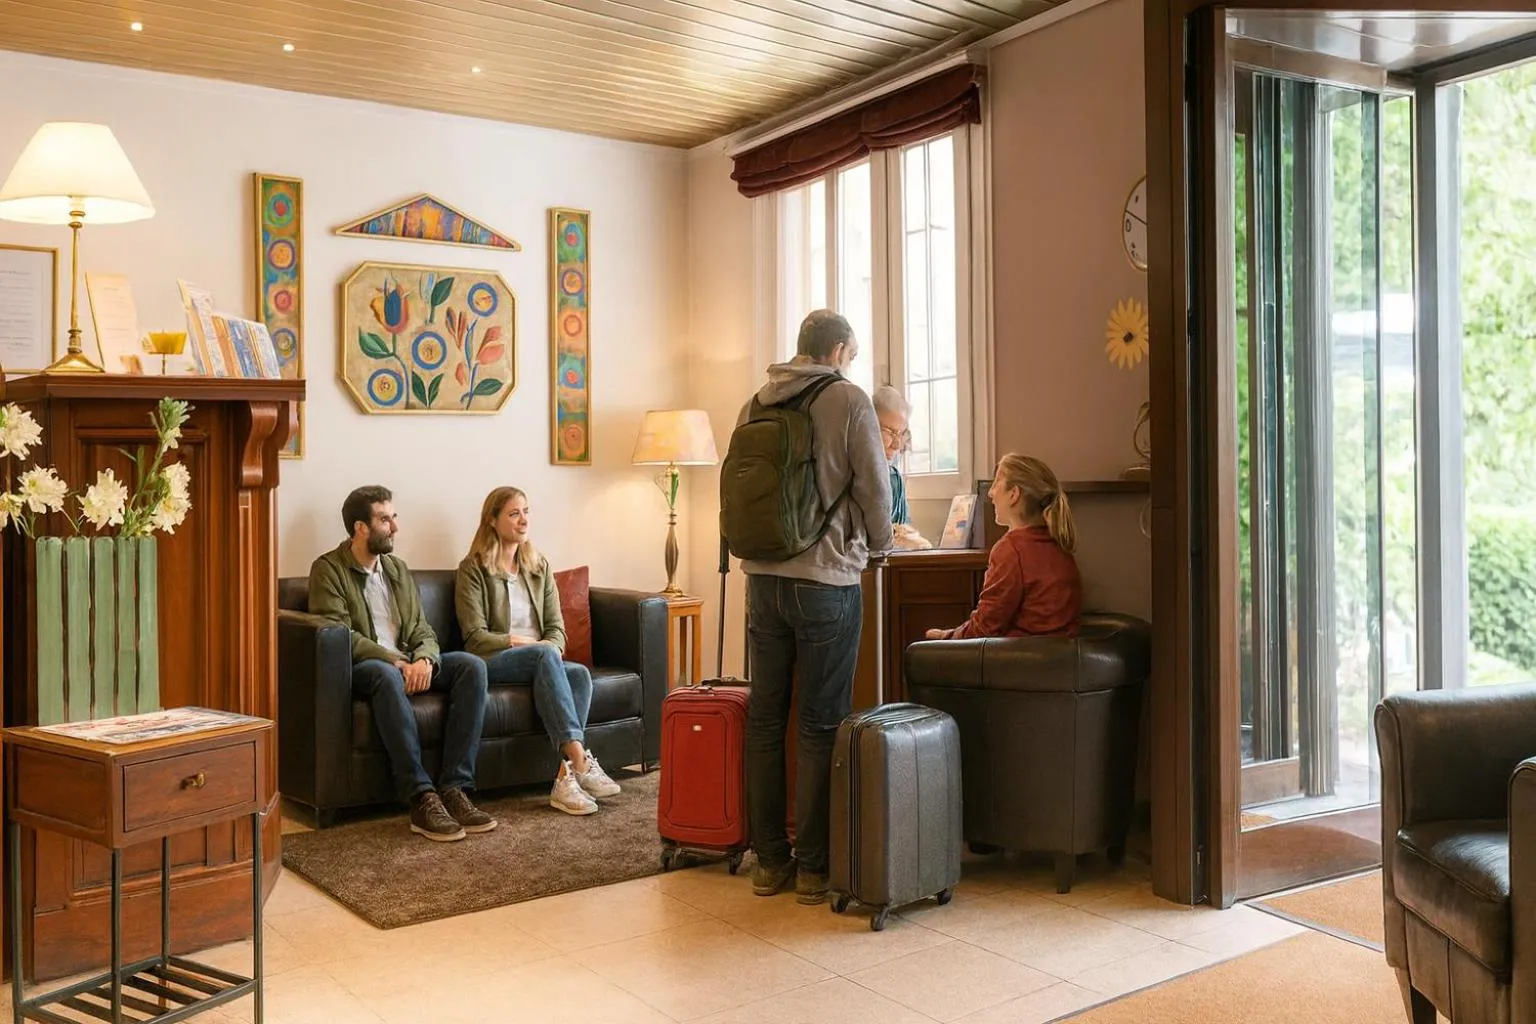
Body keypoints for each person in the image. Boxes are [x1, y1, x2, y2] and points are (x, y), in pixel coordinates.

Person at [739, 309, 893, 905]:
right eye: (851, 355)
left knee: (765, 719)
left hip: (764, 579)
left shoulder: (756, 401)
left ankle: (767, 862)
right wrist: (879, 544)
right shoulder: (847, 400)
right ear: (839, 351)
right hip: (827, 579)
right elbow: (874, 488)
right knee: (820, 722)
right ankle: (811, 866)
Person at [308, 485, 493, 842]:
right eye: (384, 519)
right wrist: (393, 660)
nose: (394, 527)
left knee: (472, 667)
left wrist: (424, 658)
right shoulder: (328, 569)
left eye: (394, 517)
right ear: (361, 527)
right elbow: (342, 634)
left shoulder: (397, 568)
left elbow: (422, 627)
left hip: (409, 663)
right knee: (383, 675)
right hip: (366, 668)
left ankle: (455, 788)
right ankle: (421, 796)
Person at [455, 486, 621, 816]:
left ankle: (565, 781)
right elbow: (475, 637)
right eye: (514, 513)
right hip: (493, 661)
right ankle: (580, 760)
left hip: (540, 660)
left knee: (578, 674)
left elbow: (556, 628)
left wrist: (550, 648)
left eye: (526, 511)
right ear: (492, 520)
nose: (523, 520)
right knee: (545, 656)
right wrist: (529, 645)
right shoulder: (472, 568)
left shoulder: (537, 566)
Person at [926, 454, 1083, 640]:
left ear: (1014, 494)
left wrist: (947, 638)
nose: (991, 493)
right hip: (1058, 659)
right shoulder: (1057, 543)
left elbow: (986, 627)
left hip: (1018, 661)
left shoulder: (1012, 549)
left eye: (997, 482)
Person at [872, 385, 931, 550]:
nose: (897, 444)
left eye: (901, 433)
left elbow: (901, 529)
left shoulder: (894, 479)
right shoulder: (846, 473)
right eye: (890, 432)